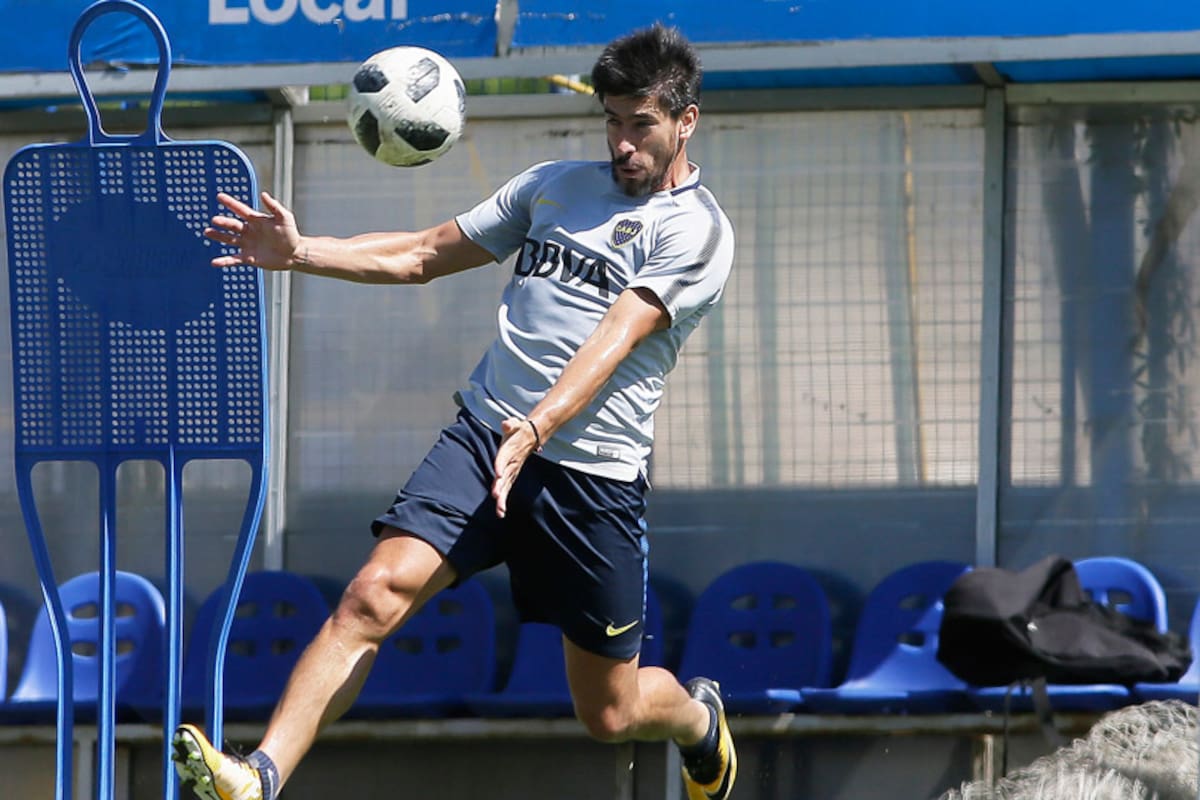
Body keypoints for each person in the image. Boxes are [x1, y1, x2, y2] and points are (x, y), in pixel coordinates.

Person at [172, 22, 736, 800]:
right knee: (372, 595)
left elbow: (616, 337)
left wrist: (538, 428)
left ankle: (700, 722)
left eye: (641, 124)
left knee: (609, 712)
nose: (622, 143)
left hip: (590, 481)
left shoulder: (698, 230)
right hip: (484, 437)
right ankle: (261, 774)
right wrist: (302, 252)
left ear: (685, 120)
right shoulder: (552, 185)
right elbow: (423, 253)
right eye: (611, 120)